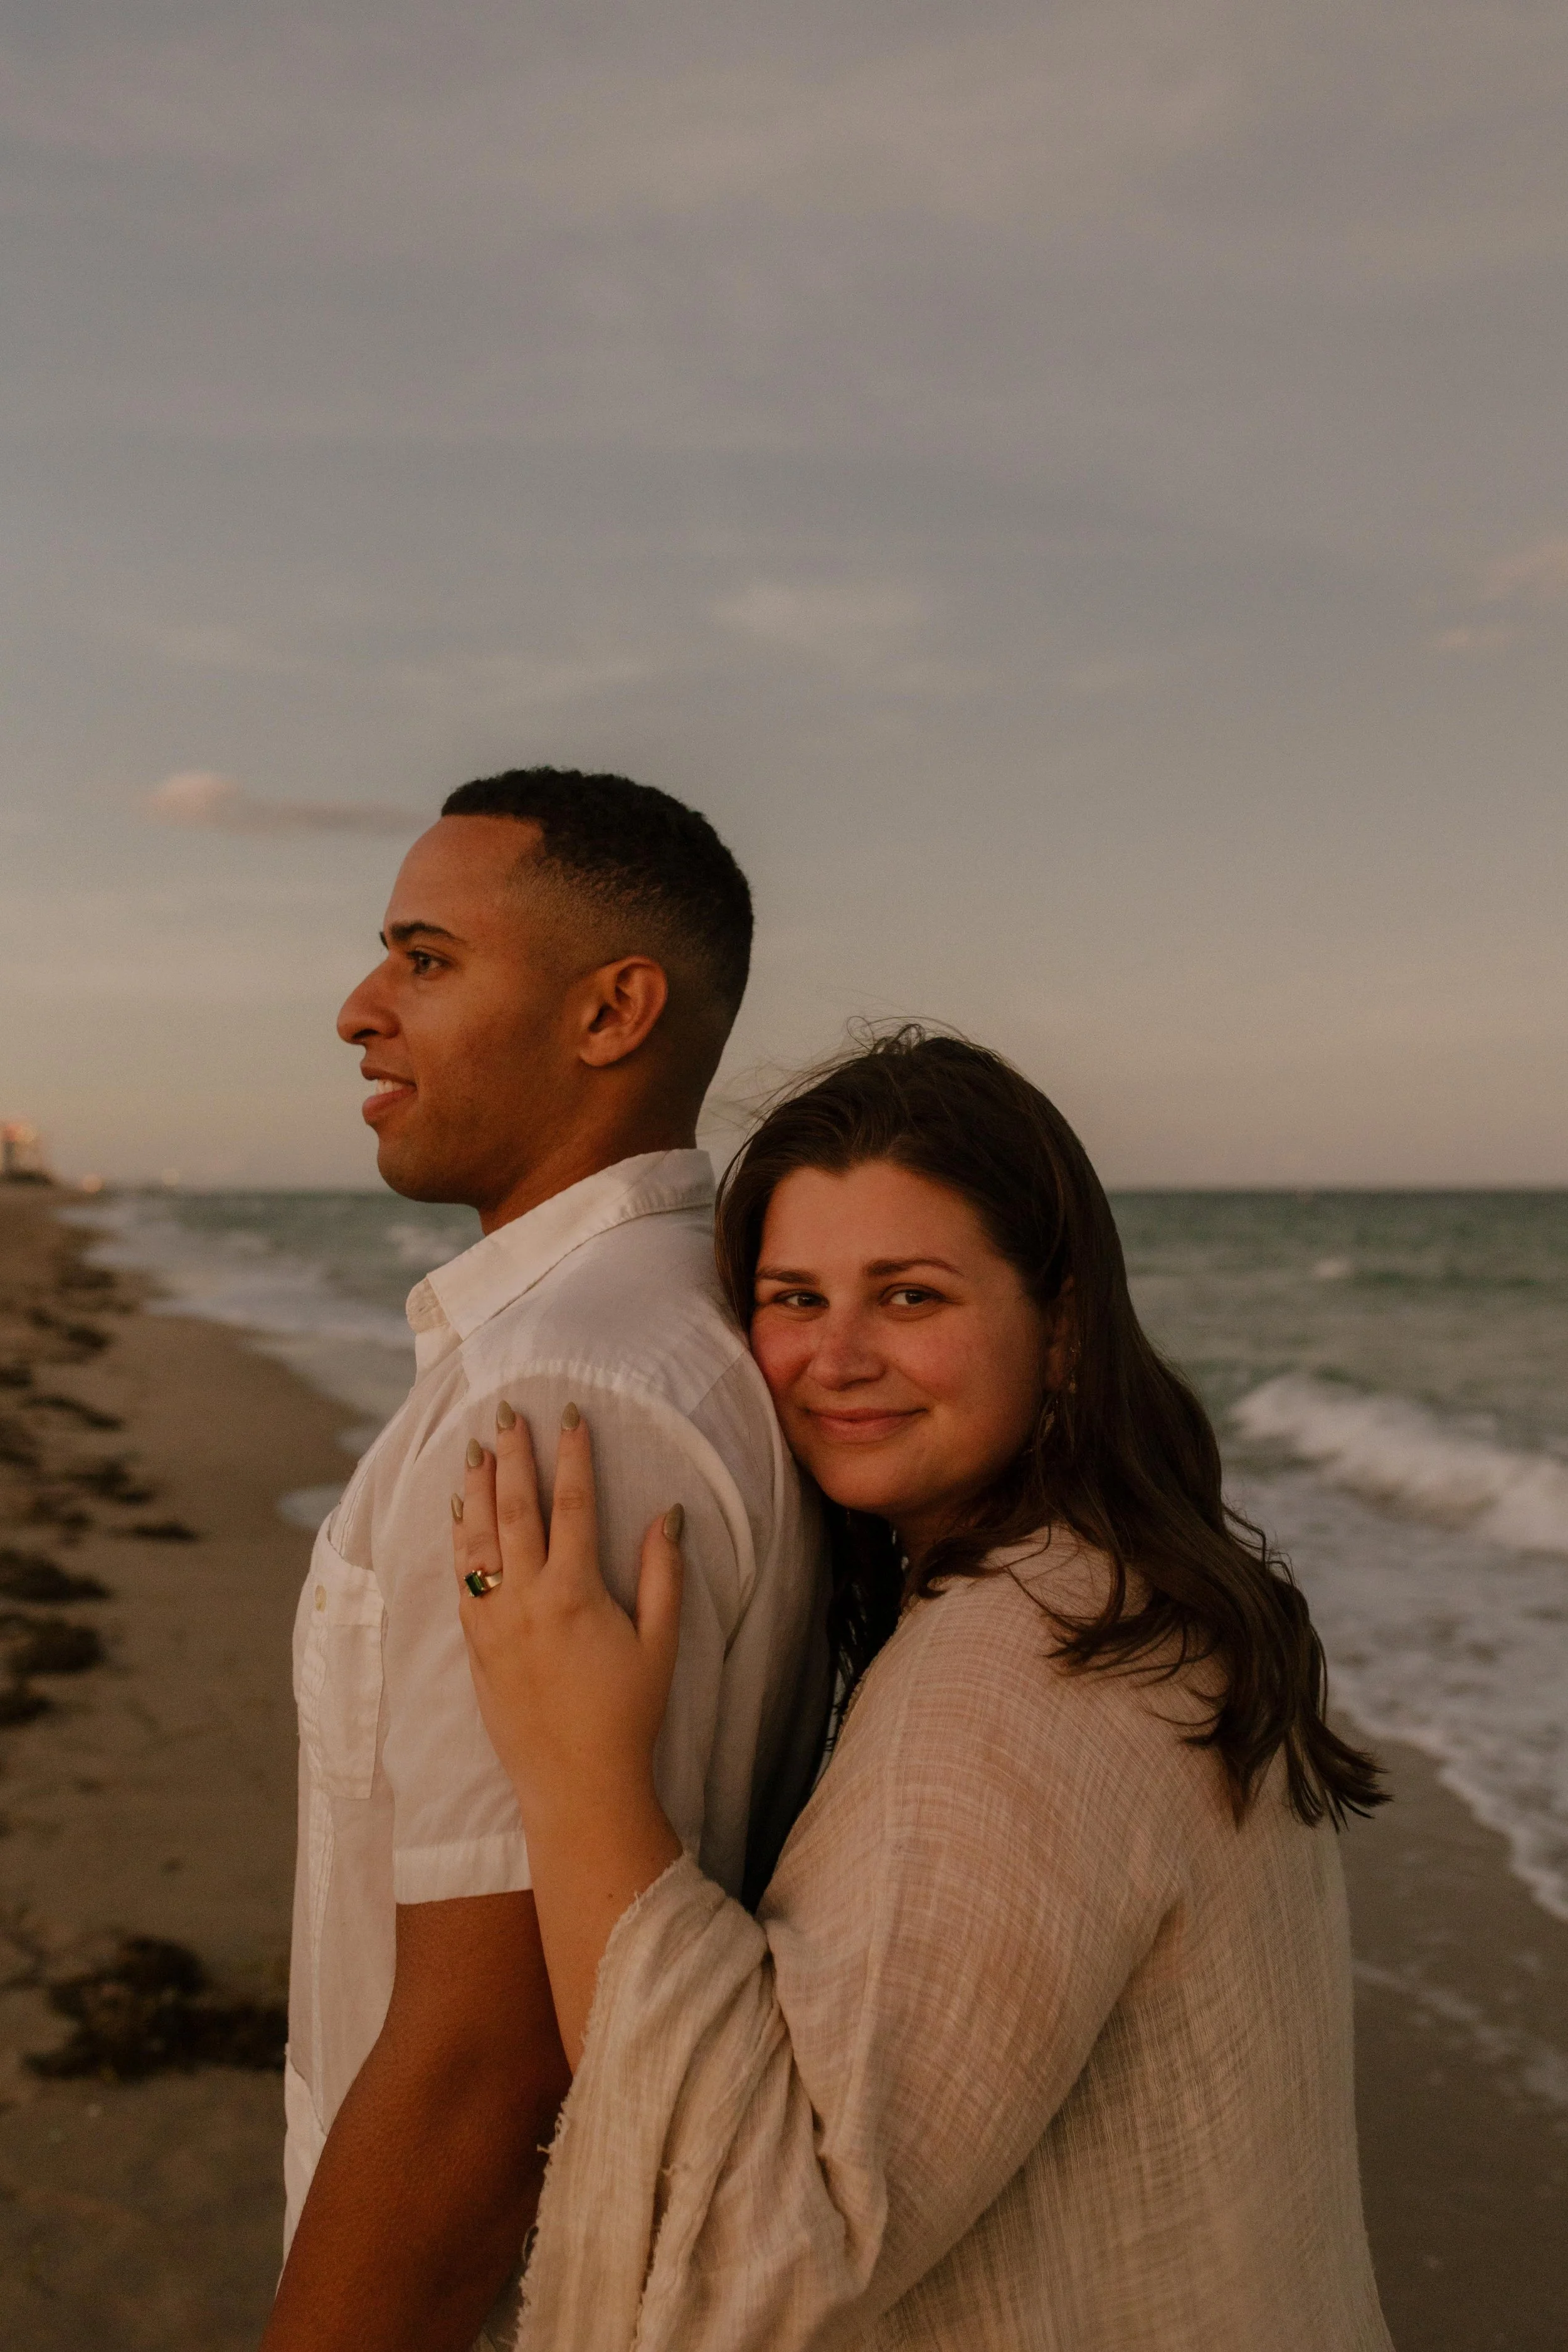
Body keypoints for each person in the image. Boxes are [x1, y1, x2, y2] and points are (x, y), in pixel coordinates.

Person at [451, 1029, 1395, 2352]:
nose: (834, 1359)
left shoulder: (1033, 1670)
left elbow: (751, 2250)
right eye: (790, 1299)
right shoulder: (1120, 1596)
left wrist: (575, 1771)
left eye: (908, 1297)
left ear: (1058, 1332)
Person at [263, 771, 829, 2352]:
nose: (359, 1009)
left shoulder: (564, 1389)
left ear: (611, 1012)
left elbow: (484, 2063)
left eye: (424, 958)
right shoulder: (671, 1323)